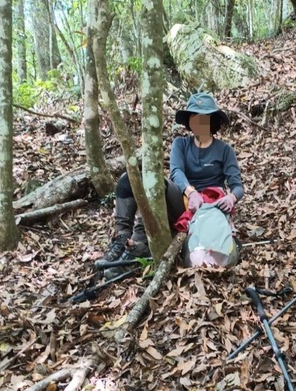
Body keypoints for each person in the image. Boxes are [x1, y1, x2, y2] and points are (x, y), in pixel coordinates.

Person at [97, 91, 244, 268]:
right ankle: (122, 238)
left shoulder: (224, 150)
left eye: (204, 118)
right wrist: (191, 193)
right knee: (132, 179)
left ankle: (137, 248)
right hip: (183, 201)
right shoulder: (180, 144)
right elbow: (176, 172)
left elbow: (237, 186)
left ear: (213, 121)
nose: (199, 123)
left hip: (209, 208)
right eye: (195, 118)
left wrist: (231, 197)